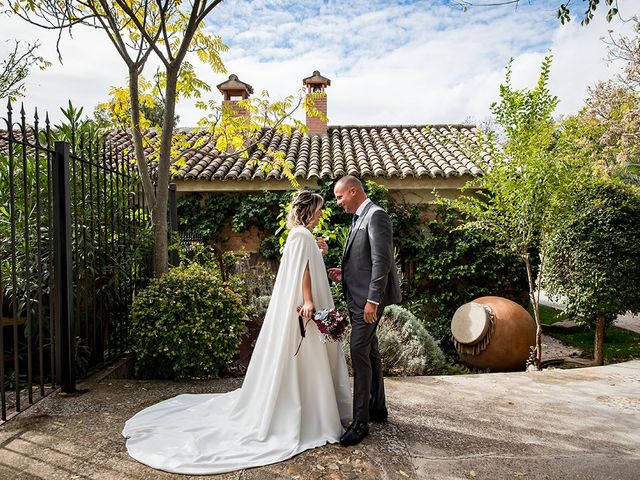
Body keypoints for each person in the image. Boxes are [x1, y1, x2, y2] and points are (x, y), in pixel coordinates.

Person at [122, 191, 352, 475]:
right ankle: (314, 412)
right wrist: (308, 301)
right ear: (308, 210)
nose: (320, 213)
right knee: (308, 359)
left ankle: (309, 406)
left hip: (298, 304)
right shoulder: (302, 236)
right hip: (306, 306)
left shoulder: (297, 235)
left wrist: (319, 252)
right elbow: (304, 270)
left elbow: (303, 262)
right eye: (318, 209)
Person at [328, 175, 401, 446]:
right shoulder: (359, 217)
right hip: (357, 296)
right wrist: (343, 276)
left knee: (358, 352)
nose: (338, 203)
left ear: (353, 191)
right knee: (370, 351)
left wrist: (373, 300)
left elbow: (381, 262)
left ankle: (360, 423)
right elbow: (363, 261)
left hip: (368, 302)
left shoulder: (376, 215)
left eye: (339, 197)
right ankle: (377, 408)